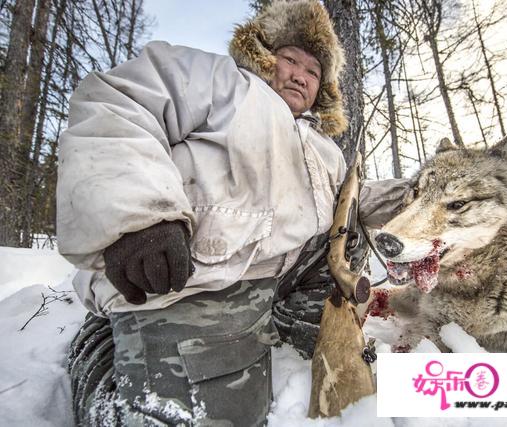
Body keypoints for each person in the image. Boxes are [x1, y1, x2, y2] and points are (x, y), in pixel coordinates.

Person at [58, 0, 408, 425]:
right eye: (290, 59)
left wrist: (426, 193)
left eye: (314, 72)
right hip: (188, 277)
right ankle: (103, 343)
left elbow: (351, 202)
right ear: (263, 56)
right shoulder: (219, 80)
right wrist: (141, 218)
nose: (300, 74)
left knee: (345, 236)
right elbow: (117, 103)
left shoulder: (324, 149)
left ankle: (282, 328)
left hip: (277, 281)